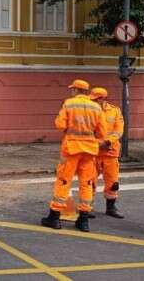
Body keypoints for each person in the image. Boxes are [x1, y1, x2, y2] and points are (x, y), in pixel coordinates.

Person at [41, 79, 108, 232]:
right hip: (89, 150)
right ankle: (83, 220)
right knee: (86, 184)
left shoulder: (69, 103)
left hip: (71, 149)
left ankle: (54, 217)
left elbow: (60, 125)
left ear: (76, 90)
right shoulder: (96, 108)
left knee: (64, 181)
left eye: (72, 89)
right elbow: (102, 133)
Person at [89, 87, 124, 219]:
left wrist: (108, 142)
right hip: (94, 152)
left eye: (96, 99)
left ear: (103, 98)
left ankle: (111, 207)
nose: (94, 101)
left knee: (113, 182)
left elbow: (119, 130)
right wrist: (98, 143)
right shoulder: (89, 111)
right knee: (90, 181)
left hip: (110, 151)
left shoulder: (115, 111)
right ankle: (88, 207)